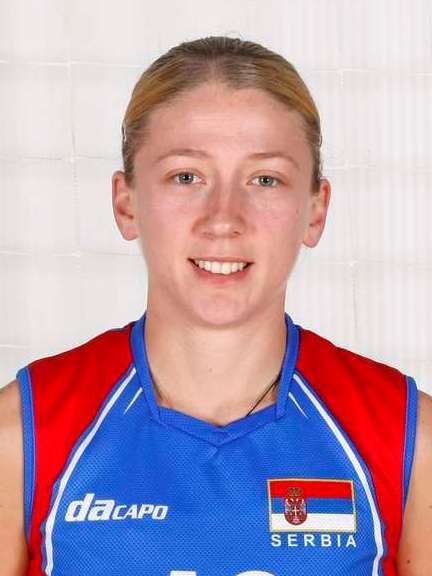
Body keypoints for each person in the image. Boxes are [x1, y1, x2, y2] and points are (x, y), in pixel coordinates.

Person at [0, 35, 431, 576]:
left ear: (316, 211)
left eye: (265, 179)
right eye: (186, 176)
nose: (223, 218)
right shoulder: (21, 438)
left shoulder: (408, 442)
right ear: (126, 203)